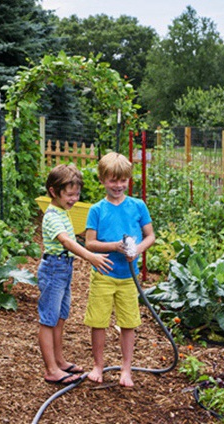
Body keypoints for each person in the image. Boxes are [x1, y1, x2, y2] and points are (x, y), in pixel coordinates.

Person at [83, 151, 156, 388]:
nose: (118, 185)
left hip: (128, 277)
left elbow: (150, 236)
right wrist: (115, 246)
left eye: (123, 180)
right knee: (99, 322)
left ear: (128, 180)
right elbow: (90, 243)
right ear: (102, 180)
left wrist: (137, 251)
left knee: (128, 323)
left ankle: (126, 369)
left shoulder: (138, 206)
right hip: (104, 273)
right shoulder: (97, 210)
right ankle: (98, 366)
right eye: (113, 180)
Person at [38, 163, 114, 386]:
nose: (74, 199)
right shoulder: (52, 215)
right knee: (48, 321)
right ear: (54, 191)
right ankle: (51, 369)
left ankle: (59, 361)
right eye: (70, 194)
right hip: (53, 270)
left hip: (63, 270)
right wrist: (90, 256)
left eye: (77, 194)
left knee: (60, 318)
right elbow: (67, 242)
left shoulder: (63, 211)